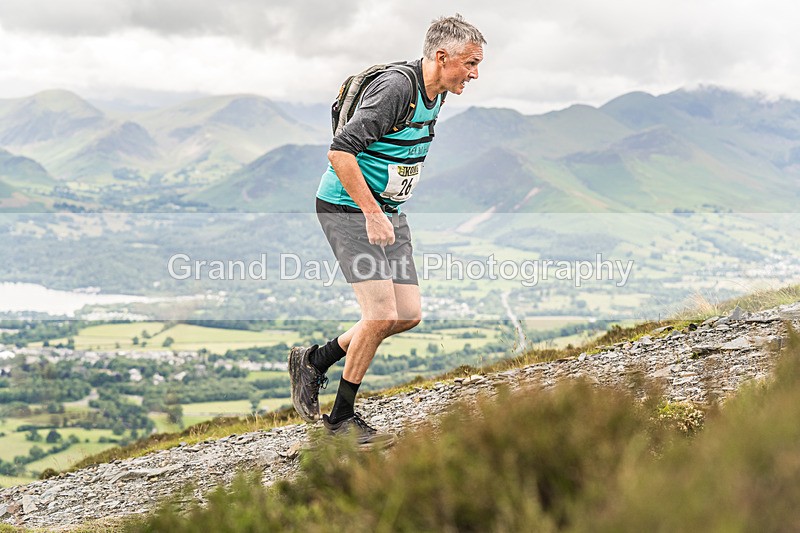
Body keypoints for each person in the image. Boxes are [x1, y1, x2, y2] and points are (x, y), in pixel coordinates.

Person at [289, 14, 485, 447]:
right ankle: (340, 422)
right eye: (470, 63)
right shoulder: (397, 89)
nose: (475, 74)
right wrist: (372, 212)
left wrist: (384, 211)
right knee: (379, 315)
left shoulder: (435, 93)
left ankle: (315, 360)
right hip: (348, 208)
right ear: (441, 56)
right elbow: (340, 153)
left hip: (388, 211)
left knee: (406, 314)